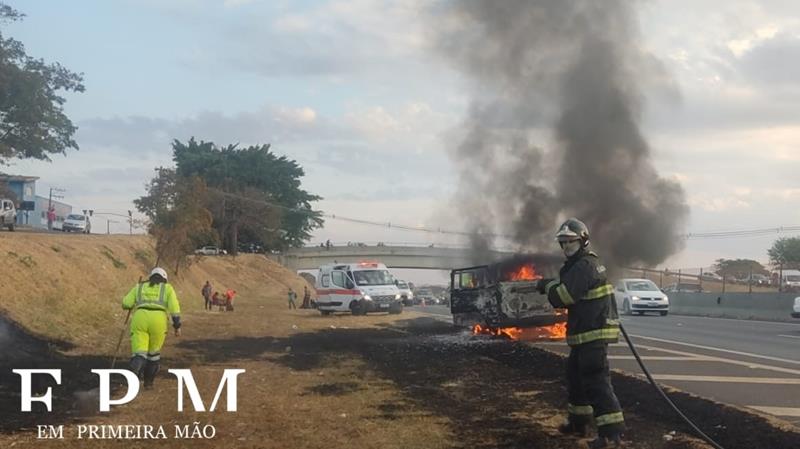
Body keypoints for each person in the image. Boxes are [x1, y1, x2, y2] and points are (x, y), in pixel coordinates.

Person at [536, 218, 624, 448]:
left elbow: (563, 297)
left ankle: (610, 436)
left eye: (570, 242)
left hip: (593, 334)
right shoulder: (580, 266)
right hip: (585, 333)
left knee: (596, 382)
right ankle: (579, 423)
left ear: (583, 241)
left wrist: (547, 286)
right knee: (576, 378)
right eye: (563, 243)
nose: (566, 247)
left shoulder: (585, 266)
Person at [121, 267, 181, 389]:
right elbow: (174, 308)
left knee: (139, 352)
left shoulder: (139, 286)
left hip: (140, 318)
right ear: (164, 279)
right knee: (153, 354)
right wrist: (176, 325)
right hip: (158, 320)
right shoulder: (167, 288)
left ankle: (134, 373)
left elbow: (126, 303)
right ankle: (148, 383)